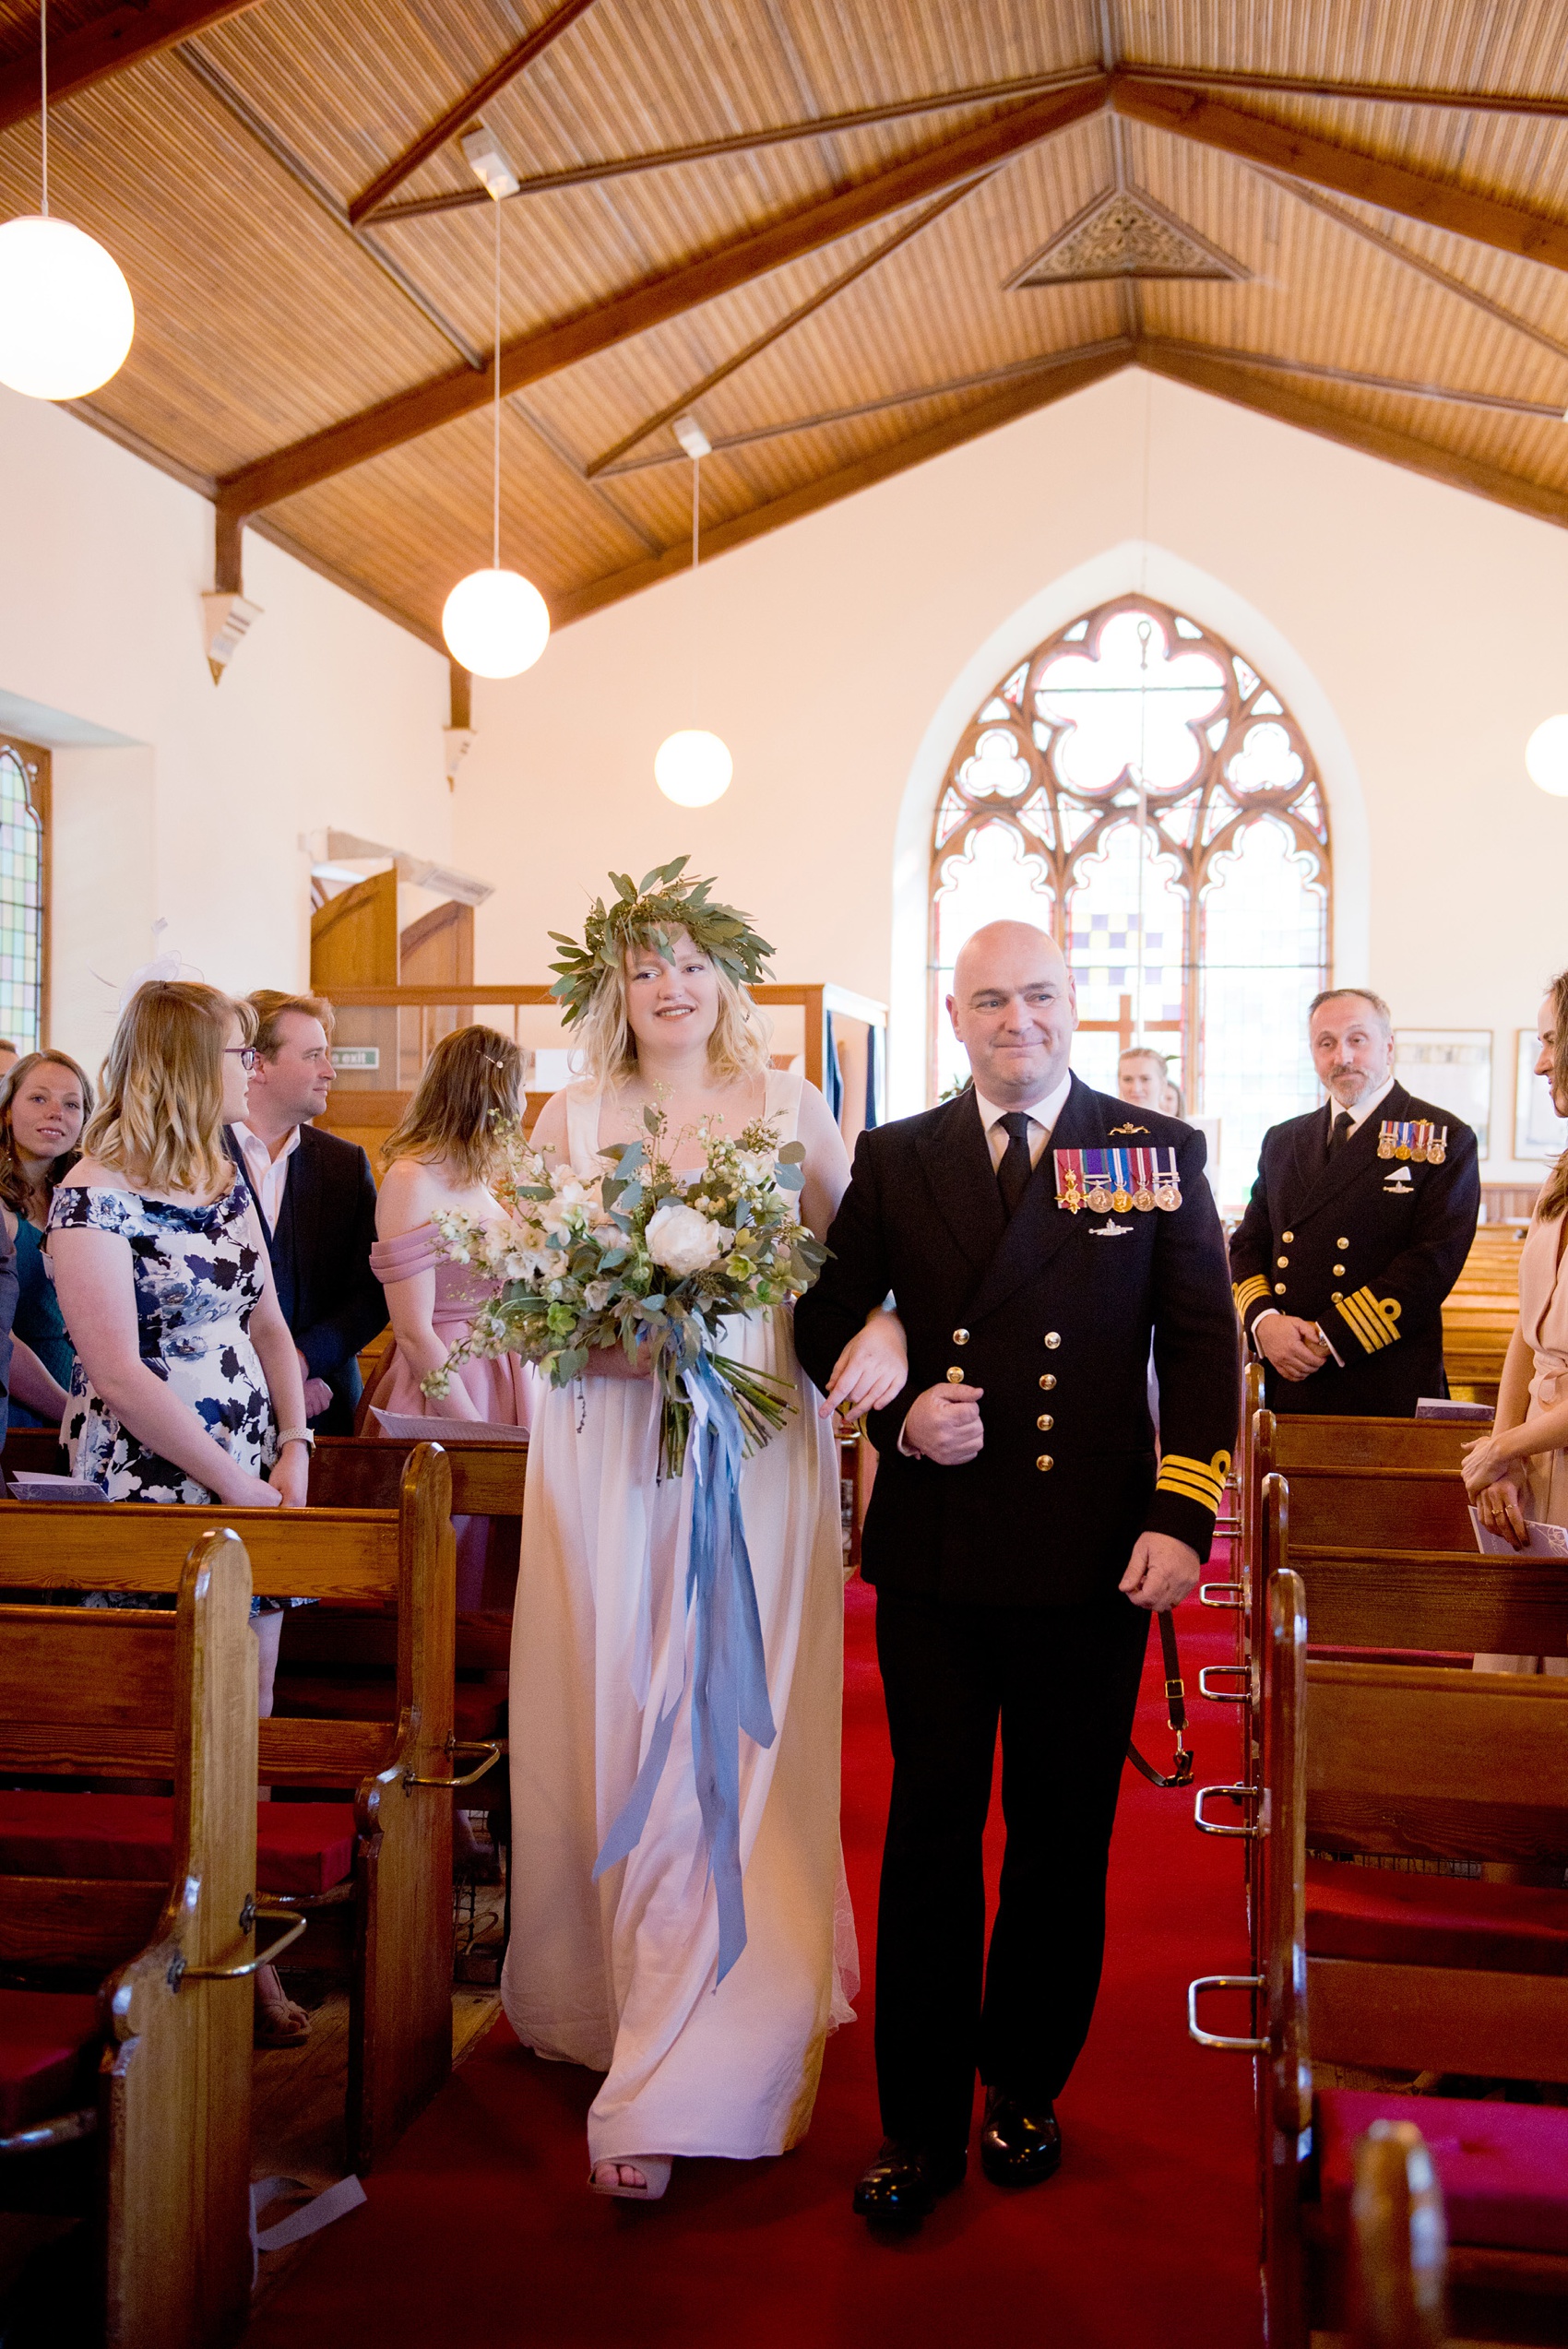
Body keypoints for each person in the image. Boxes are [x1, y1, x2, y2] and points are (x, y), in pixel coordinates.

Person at [793, 920, 1239, 2229]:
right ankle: (917, 2122)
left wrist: (1184, 1515)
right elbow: (825, 1308)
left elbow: (1203, 1351)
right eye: (990, 1000)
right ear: (955, 1012)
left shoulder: (1147, 1152)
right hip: (940, 1555)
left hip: (1094, 1555)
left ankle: (1025, 2085)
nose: (1017, 1021)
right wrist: (895, 1408)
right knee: (931, 1838)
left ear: (1072, 1003)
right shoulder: (896, 1153)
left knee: (1060, 1841)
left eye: (1039, 996)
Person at [500, 865, 901, 2203]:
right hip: (612, 1448)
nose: (670, 984)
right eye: (643, 965)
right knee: (625, 1707)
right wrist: (592, 1335)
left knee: (715, 1716)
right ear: (613, 989)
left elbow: (861, 1266)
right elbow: (533, 1288)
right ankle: (628, 1992)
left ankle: (695, 2054)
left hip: (749, 1446)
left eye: (691, 962)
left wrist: (886, 1333)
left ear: (728, 977)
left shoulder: (790, 1107)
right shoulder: (569, 1113)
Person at [47, 980, 314, 2045]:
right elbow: (115, 1372)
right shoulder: (90, 1190)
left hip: (256, 1465)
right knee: (162, 1735)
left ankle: (241, 1960)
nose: (247, 1069)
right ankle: (153, 1962)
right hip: (146, 1478)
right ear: (178, 1059)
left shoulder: (228, 1165)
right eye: (234, 1053)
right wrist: (231, 1480)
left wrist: (292, 1445)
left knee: (244, 1728)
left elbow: (269, 1320)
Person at [1229, 988, 1479, 1415]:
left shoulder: (1443, 1136)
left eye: (1357, 1039)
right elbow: (1248, 1245)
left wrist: (1329, 1337)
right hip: (1290, 1376)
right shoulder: (1284, 1139)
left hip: (1384, 1381)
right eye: (1326, 1043)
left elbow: (1431, 1263)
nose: (1342, 1056)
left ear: (1388, 1046)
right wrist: (1263, 1322)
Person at [367, 1026, 530, 1607]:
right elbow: (411, 1329)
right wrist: (471, 1428)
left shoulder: (482, 1182)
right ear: (488, 1092)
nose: (522, 1105)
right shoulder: (412, 1178)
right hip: (445, 1379)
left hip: (503, 1375)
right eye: (517, 1089)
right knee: (451, 1532)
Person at [1465, 971, 1568, 1673]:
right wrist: (1504, 1455)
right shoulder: (1559, 1175)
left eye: (1552, 1040)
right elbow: (1526, 1336)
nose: (1539, 1062)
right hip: (1539, 1455)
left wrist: (1511, 1445)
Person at [226, 990, 385, 1435]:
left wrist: (303, 1360)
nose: (329, 1071)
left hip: (324, 1406)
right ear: (257, 1064)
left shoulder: (343, 1166)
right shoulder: (197, 1157)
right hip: (217, 1408)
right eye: (314, 1055)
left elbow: (370, 1293)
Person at [0, 1050, 91, 1429]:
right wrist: (69, 1411)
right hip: (24, 1415)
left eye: (72, 1104)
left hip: (93, 1406)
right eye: (38, 1098)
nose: (56, 1112)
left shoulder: (88, 1195)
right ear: (6, 1109)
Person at [1116, 1045, 1169, 1112]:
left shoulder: (1175, 1123)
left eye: (1145, 1079)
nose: (1136, 1089)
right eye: (1127, 1079)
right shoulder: (1105, 1122)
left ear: (1162, 1083)